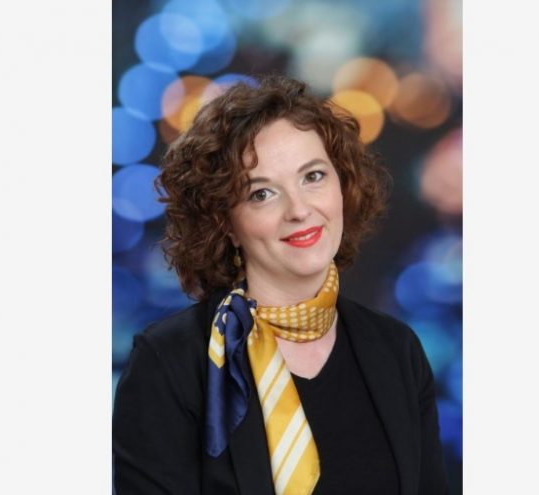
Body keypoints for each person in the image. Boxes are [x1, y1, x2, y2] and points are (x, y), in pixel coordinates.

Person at [112, 75, 449, 495]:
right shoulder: (168, 364)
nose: (299, 210)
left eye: (313, 176)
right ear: (224, 222)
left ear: (342, 183)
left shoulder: (397, 350)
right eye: (262, 194)